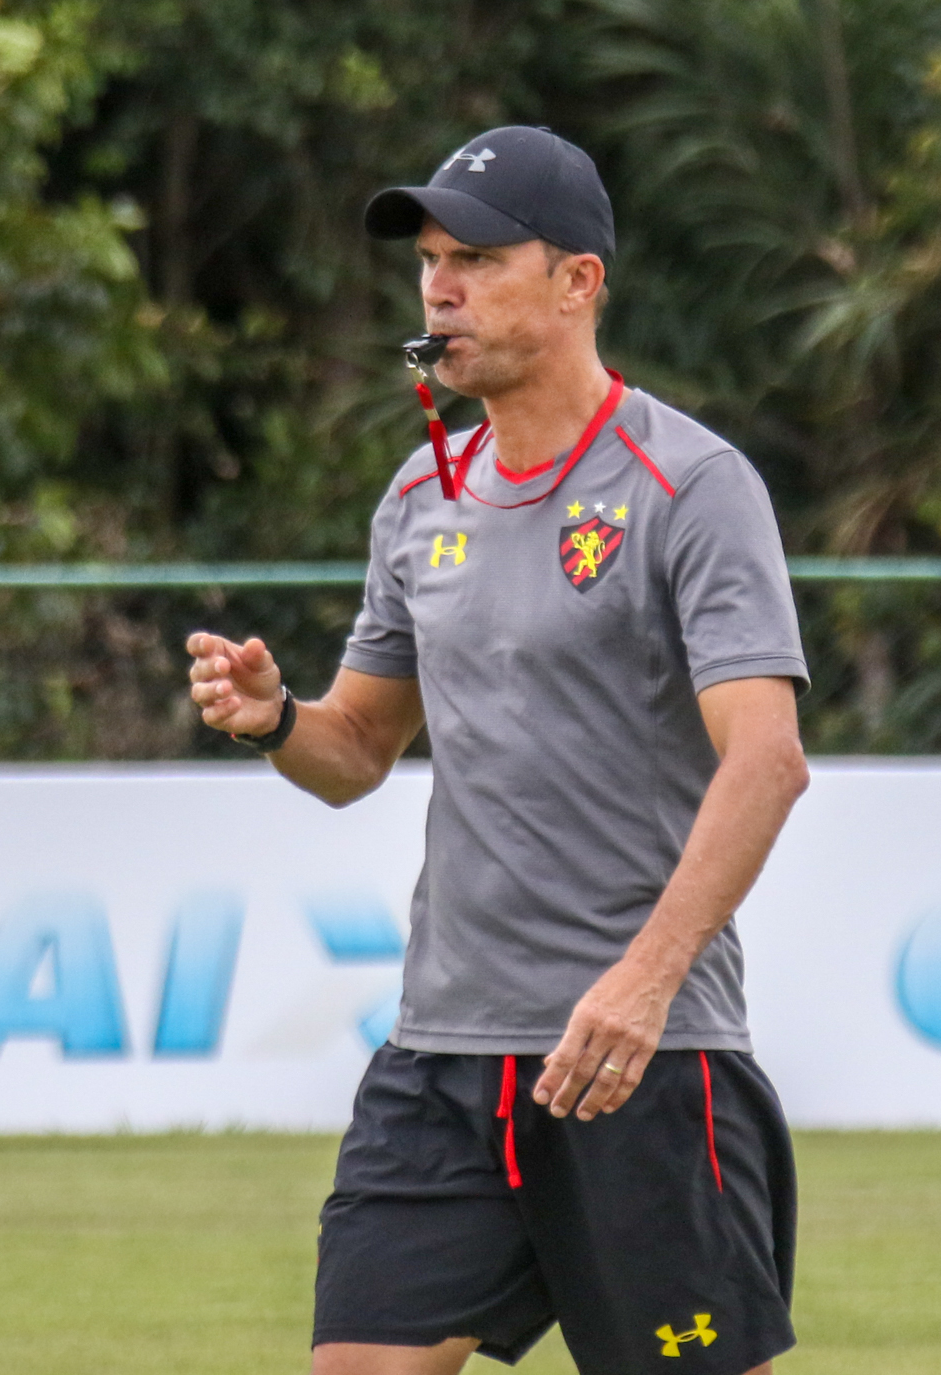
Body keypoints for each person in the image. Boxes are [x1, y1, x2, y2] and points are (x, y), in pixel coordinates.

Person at [184, 125, 812, 1375]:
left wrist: (640, 986)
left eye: (474, 256)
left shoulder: (688, 483)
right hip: (441, 1055)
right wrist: (275, 721)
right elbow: (358, 747)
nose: (437, 288)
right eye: (427, 260)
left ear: (576, 280)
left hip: (637, 1057)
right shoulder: (423, 494)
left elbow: (766, 760)